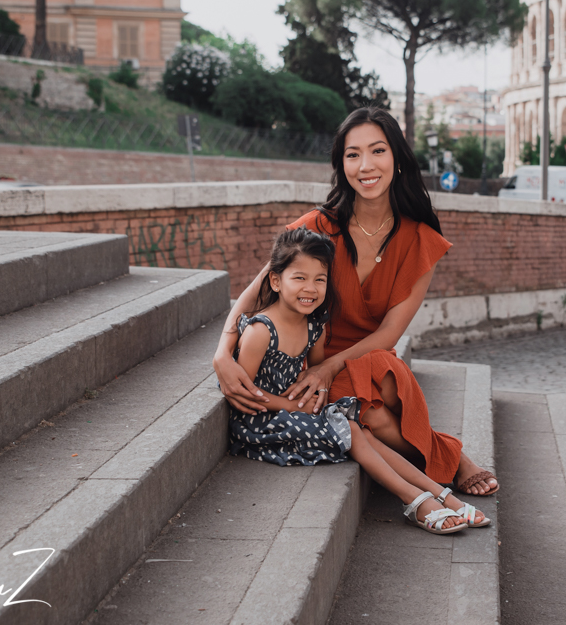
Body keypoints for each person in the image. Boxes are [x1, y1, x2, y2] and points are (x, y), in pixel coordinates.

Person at [213, 106, 500, 498]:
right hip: (308, 355)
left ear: (397, 158)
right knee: (376, 416)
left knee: (384, 378)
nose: (365, 165)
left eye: (377, 151)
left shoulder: (420, 240)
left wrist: (330, 369)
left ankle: (438, 461)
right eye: (353, 154)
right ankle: (452, 459)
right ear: (341, 164)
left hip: (365, 355)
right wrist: (221, 354)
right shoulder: (317, 226)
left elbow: (390, 333)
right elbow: (256, 293)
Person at [229, 226, 486, 533]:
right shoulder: (260, 331)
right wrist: (292, 405)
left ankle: (442, 494)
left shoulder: (314, 327)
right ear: (275, 280)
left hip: (294, 406)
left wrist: (315, 397)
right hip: (261, 420)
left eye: (319, 280)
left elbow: (315, 372)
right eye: (299, 278)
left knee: (361, 428)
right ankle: (416, 501)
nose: (310, 288)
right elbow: (246, 391)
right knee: (351, 428)